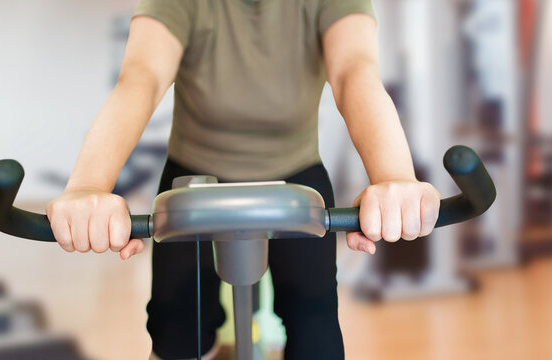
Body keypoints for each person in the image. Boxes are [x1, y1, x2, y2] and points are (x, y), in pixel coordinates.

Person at [46, 0, 441, 359]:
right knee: (177, 330)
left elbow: (354, 73)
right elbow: (141, 79)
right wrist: (88, 186)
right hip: (194, 178)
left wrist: (393, 176)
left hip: (295, 175)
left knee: (316, 332)